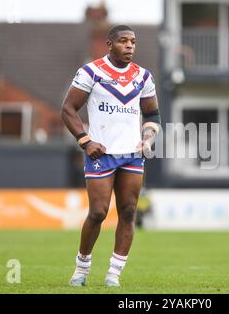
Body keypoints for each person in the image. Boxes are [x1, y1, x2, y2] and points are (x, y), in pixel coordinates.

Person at [61, 25, 161, 287]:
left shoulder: (143, 77)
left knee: (128, 212)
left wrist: (148, 137)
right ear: (109, 44)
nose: (129, 46)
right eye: (123, 41)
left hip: (131, 154)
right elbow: (68, 108)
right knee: (98, 212)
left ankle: (113, 275)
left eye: (133, 42)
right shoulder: (91, 72)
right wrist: (85, 141)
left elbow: (152, 114)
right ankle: (81, 268)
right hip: (101, 153)